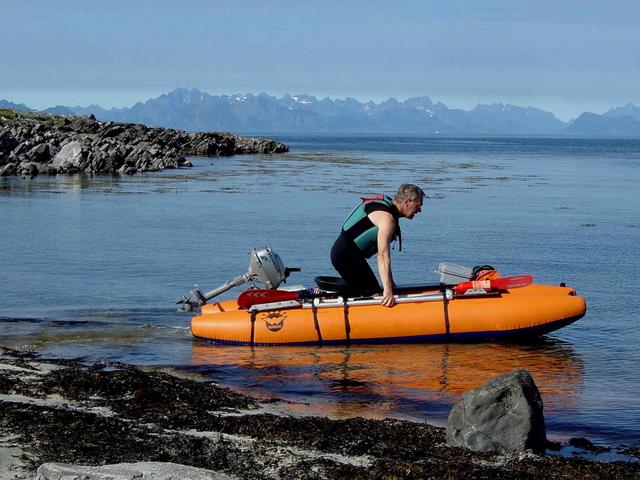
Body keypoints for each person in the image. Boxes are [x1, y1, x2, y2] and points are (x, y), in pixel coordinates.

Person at [330, 183, 425, 307]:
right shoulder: (387, 219)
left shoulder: (389, 208)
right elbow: (383, 256)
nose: (420, 210)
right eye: (418, 205)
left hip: (350, 255)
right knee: (372, 294)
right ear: (407, 202)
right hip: (345, 256)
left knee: (371, 290)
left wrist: (390, 284)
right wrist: (388, 291)